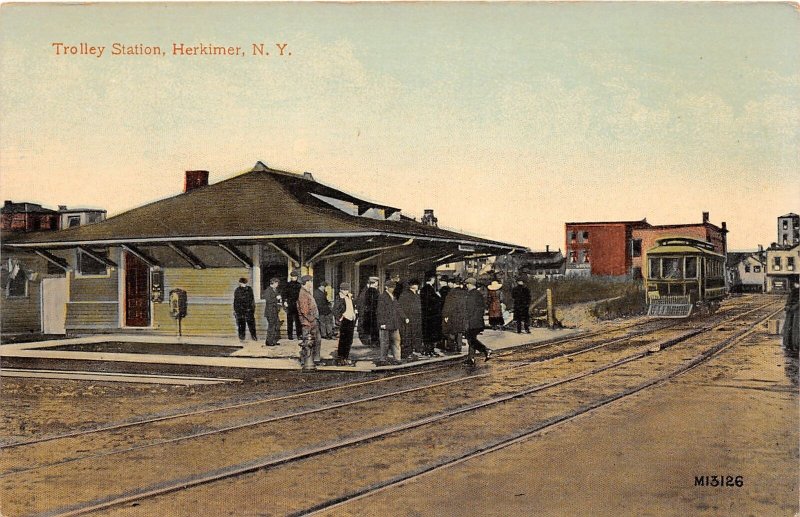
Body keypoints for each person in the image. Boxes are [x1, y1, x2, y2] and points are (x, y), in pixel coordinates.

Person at [376, 280, 407, 365]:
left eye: (393, 287)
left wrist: (404, 317)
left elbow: (398, 308)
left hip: (394, 323)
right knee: (384, 343)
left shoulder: (393, 296)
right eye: (391, 287)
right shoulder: (382, 297)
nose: (393, 289)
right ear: (386, 287)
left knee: (396, 341)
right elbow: (380, 311)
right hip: (385, 324)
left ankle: (397, 358)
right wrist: (382, 323)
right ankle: (383, 360)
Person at [464, 277, 492, 365]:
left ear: (470, 284)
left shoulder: (471, 294)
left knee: (471, 339)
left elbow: (470, 309)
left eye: (467, 284)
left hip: (472, 321)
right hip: (478, 320)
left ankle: (485, 350)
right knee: (472, 339)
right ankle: (471, 358)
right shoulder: (478, 294)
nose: (466, 286)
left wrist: (466, 318)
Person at [297, 274, 321, 370]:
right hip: (308, 323)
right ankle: (307, 361)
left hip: (311, 322)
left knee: (315, 341)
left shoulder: (307, 292)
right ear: (306, 282)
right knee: (308, 342)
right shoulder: (303, 294)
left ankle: (313, 360)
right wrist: (312, 319)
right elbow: (304, 310)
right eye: (310, 281)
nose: (311, 283)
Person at [333, 282, 357, 366]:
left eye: (347, 289)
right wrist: (340, 317)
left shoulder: (350, 297)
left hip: (351, 320)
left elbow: (352, 307)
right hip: (345, 320)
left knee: (349, 340)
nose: (346, 291)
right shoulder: (339, 298)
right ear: (341, 290)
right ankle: (341, 358)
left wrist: (355, 314)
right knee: (343, 340)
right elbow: (335, 310)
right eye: (344, 290)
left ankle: (346, 357)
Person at [399, 278, 423, 359]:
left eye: (417, 285)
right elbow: (400, 307)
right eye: (415, 285)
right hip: (409, 318)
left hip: (417, 318)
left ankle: (414, 351)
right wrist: (405, 317)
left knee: (415, 335)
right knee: (407, 336)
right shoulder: (405, 294)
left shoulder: (416, 294)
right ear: (411, 285)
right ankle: (406, 353)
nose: (416, 286)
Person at [441, 278, 466, 354]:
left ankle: (452, 347)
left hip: (453, 315)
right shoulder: (464, 292)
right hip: (462, 315)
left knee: (451, 331)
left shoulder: (451, 293)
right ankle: (459, 347)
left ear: (454, 284)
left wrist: (445, 315)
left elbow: (447, 305)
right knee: (459, 332)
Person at [420, 272, 443, 356]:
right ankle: (430, 350)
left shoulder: (423, 289)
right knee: (432, 333)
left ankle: (428, 350)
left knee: (427, 333)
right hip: (432, 316)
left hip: (426, 315)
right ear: (432, 279)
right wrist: (438, 296)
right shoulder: (430, 289)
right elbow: (435, 302)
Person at [356, 276, 380, 347]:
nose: (377, 285)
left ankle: (370, 341)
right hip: (369, 313)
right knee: (371, 328)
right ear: (374, 283)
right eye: (377, 283)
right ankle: (372, 342)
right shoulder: (371, 291)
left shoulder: (366, 291)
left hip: (367, 313)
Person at [233, 277, 257, 341]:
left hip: (249, 310)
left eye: (243, 283)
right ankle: (242, 337)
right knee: (241, 325)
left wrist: (252, 309)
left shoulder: (249, 289)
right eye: (241, 283)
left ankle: (254, 336)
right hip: (240, 311)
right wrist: (235, 310)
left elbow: (252, 300)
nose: (241, 284)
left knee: (251, 324)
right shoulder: (237, 290)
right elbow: (235, 301)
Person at [283, 270, 303, 340]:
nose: (294, 277)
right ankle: (290, 335)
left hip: (297, 304)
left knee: (298, 320)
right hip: (290, 304)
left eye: (295, 276)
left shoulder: (299, 285)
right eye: (292, 276)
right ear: (291, 277)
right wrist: (285, 301)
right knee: (290, 320)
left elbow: (301, 295)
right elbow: (284, 294)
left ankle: (299, 335)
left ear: (297, 277)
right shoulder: (287, 285)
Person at [263, 277, 282, 346]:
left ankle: (273, 341)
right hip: (270, 312)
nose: (277, 285)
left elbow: (277, 299)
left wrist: (279, 302)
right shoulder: (268, 290)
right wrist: (276, 299)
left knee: (275, 326)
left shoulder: (275, 290)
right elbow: (268, 300)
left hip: (275, 311)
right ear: (273, 283)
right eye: (276, 283)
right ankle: (269, 342)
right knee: (271, 327)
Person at [784, 281, 799, 354]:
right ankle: (789, 344)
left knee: (795, 328)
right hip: (791, 311)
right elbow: (789, 300)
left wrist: (793, 306)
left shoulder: (793, 291)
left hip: (796, 312)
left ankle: (795, 344)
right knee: (790, 328)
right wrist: (787, 306)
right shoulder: (792, 291)